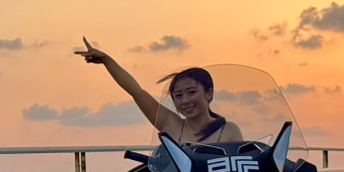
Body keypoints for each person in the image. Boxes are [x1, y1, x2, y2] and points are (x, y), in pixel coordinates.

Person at [74, 37, 243, 145]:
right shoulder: (171, 124)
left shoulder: (229, 130)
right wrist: (106, 60)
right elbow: (136, 91)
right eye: (178, 95)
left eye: (191, 92)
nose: (185, 101)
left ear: (209, 93)